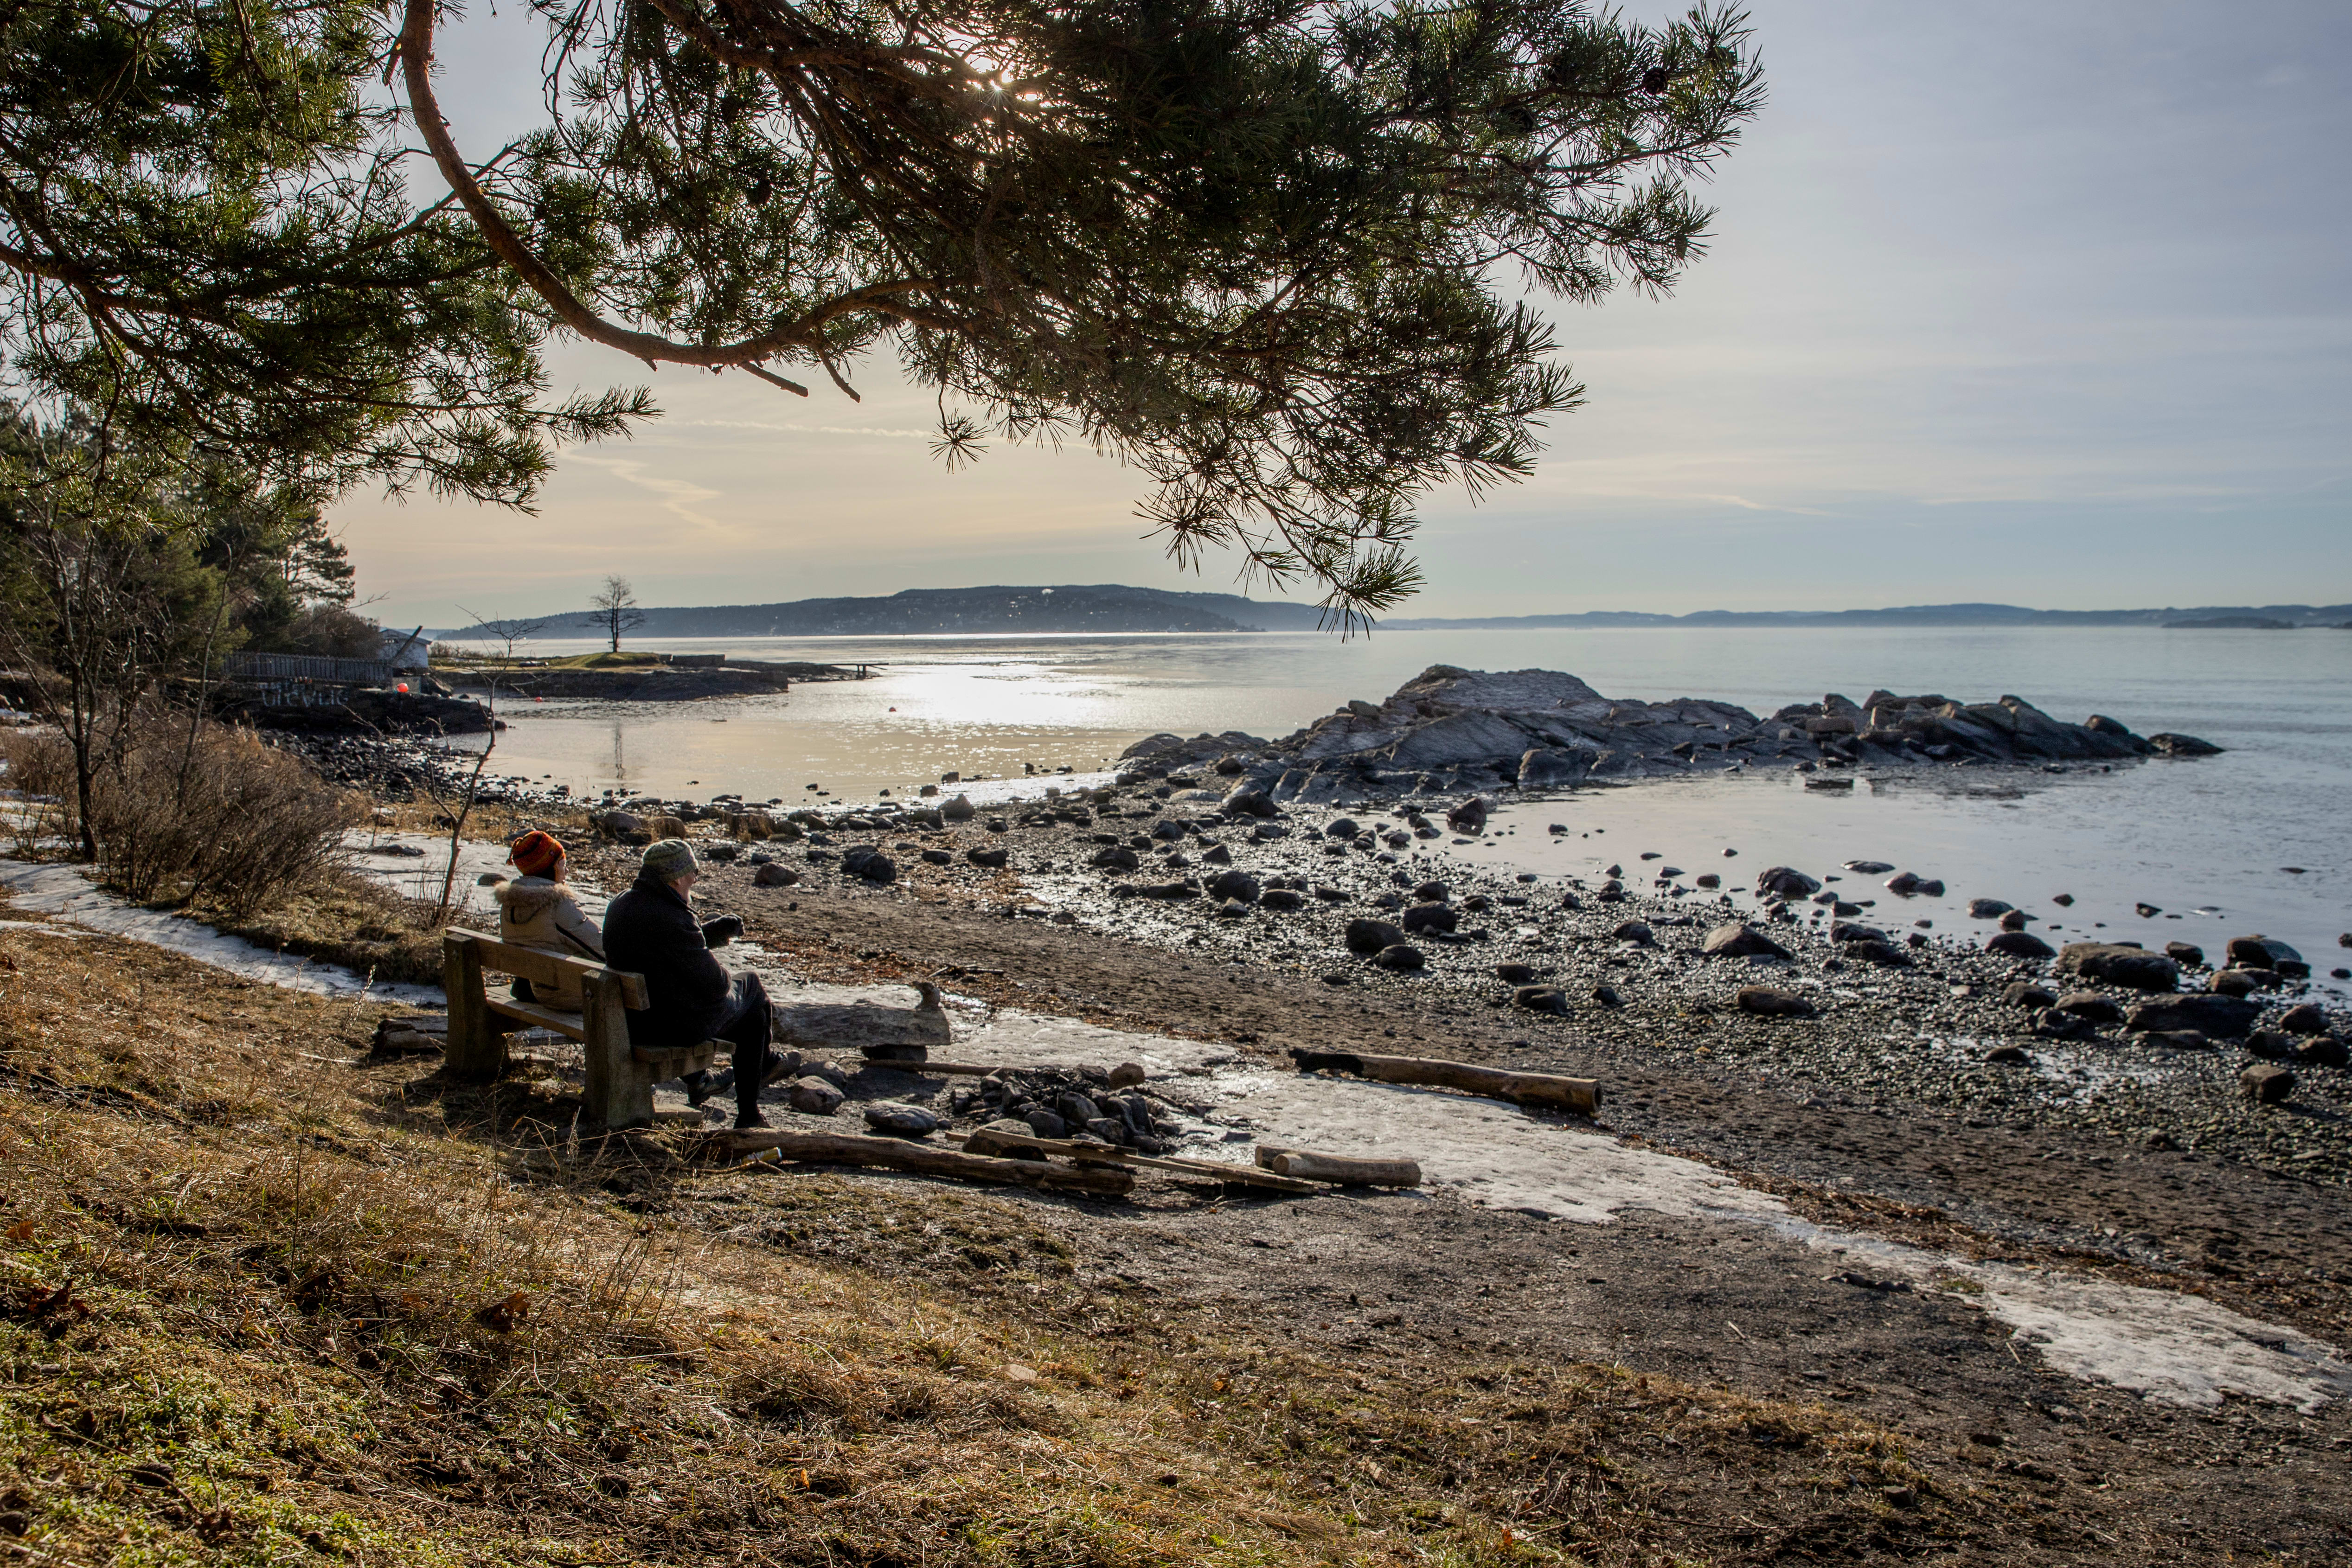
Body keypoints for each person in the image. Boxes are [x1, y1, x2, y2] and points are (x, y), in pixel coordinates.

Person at [601, 839, 775, 1128]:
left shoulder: (622, 903)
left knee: (750, 1011)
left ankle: (761, 1077)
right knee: (752, 990)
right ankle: (751, 1107)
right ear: (677, 878)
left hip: (634, 1020)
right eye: (694, 872)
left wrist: (708, 935)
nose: (695, 878)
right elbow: (717, 986)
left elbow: (662, 950)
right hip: (671, 1027)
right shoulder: (673, 916)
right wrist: (715, 961)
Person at [493, 830, 603, 1008]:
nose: (567, 871)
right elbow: (602, 951)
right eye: (563, 864)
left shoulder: (509, 904)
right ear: (550, 868)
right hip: (572, 995)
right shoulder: (558, 904)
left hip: (536, 989)